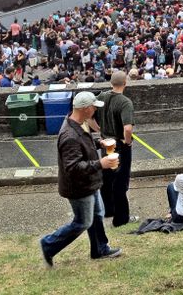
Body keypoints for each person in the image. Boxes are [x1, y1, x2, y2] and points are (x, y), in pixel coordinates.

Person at [39, 92, 121, 268]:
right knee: (82, 222)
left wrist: (98, 143)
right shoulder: (69, 136)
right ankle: (48, 244)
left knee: (97, 214)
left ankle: (100, 249)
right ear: (86, 109)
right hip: (79, 187)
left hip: (89, 182)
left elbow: (82, 145)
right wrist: (101, 163)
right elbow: (73, 167)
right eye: (94, 107)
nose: (95, 110)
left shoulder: (78, 122)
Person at [96, 70, 135, 227]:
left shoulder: (101, 97)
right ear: (125, 83)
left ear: (111, 83)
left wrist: (100, 130)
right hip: (119, 145)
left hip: (105, 143)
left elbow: (89, 117)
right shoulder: (125, 102)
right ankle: (121, 219)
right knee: (120, 181)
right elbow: (128, 129)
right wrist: (128, 142)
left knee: (106, 178)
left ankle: (108, 210)